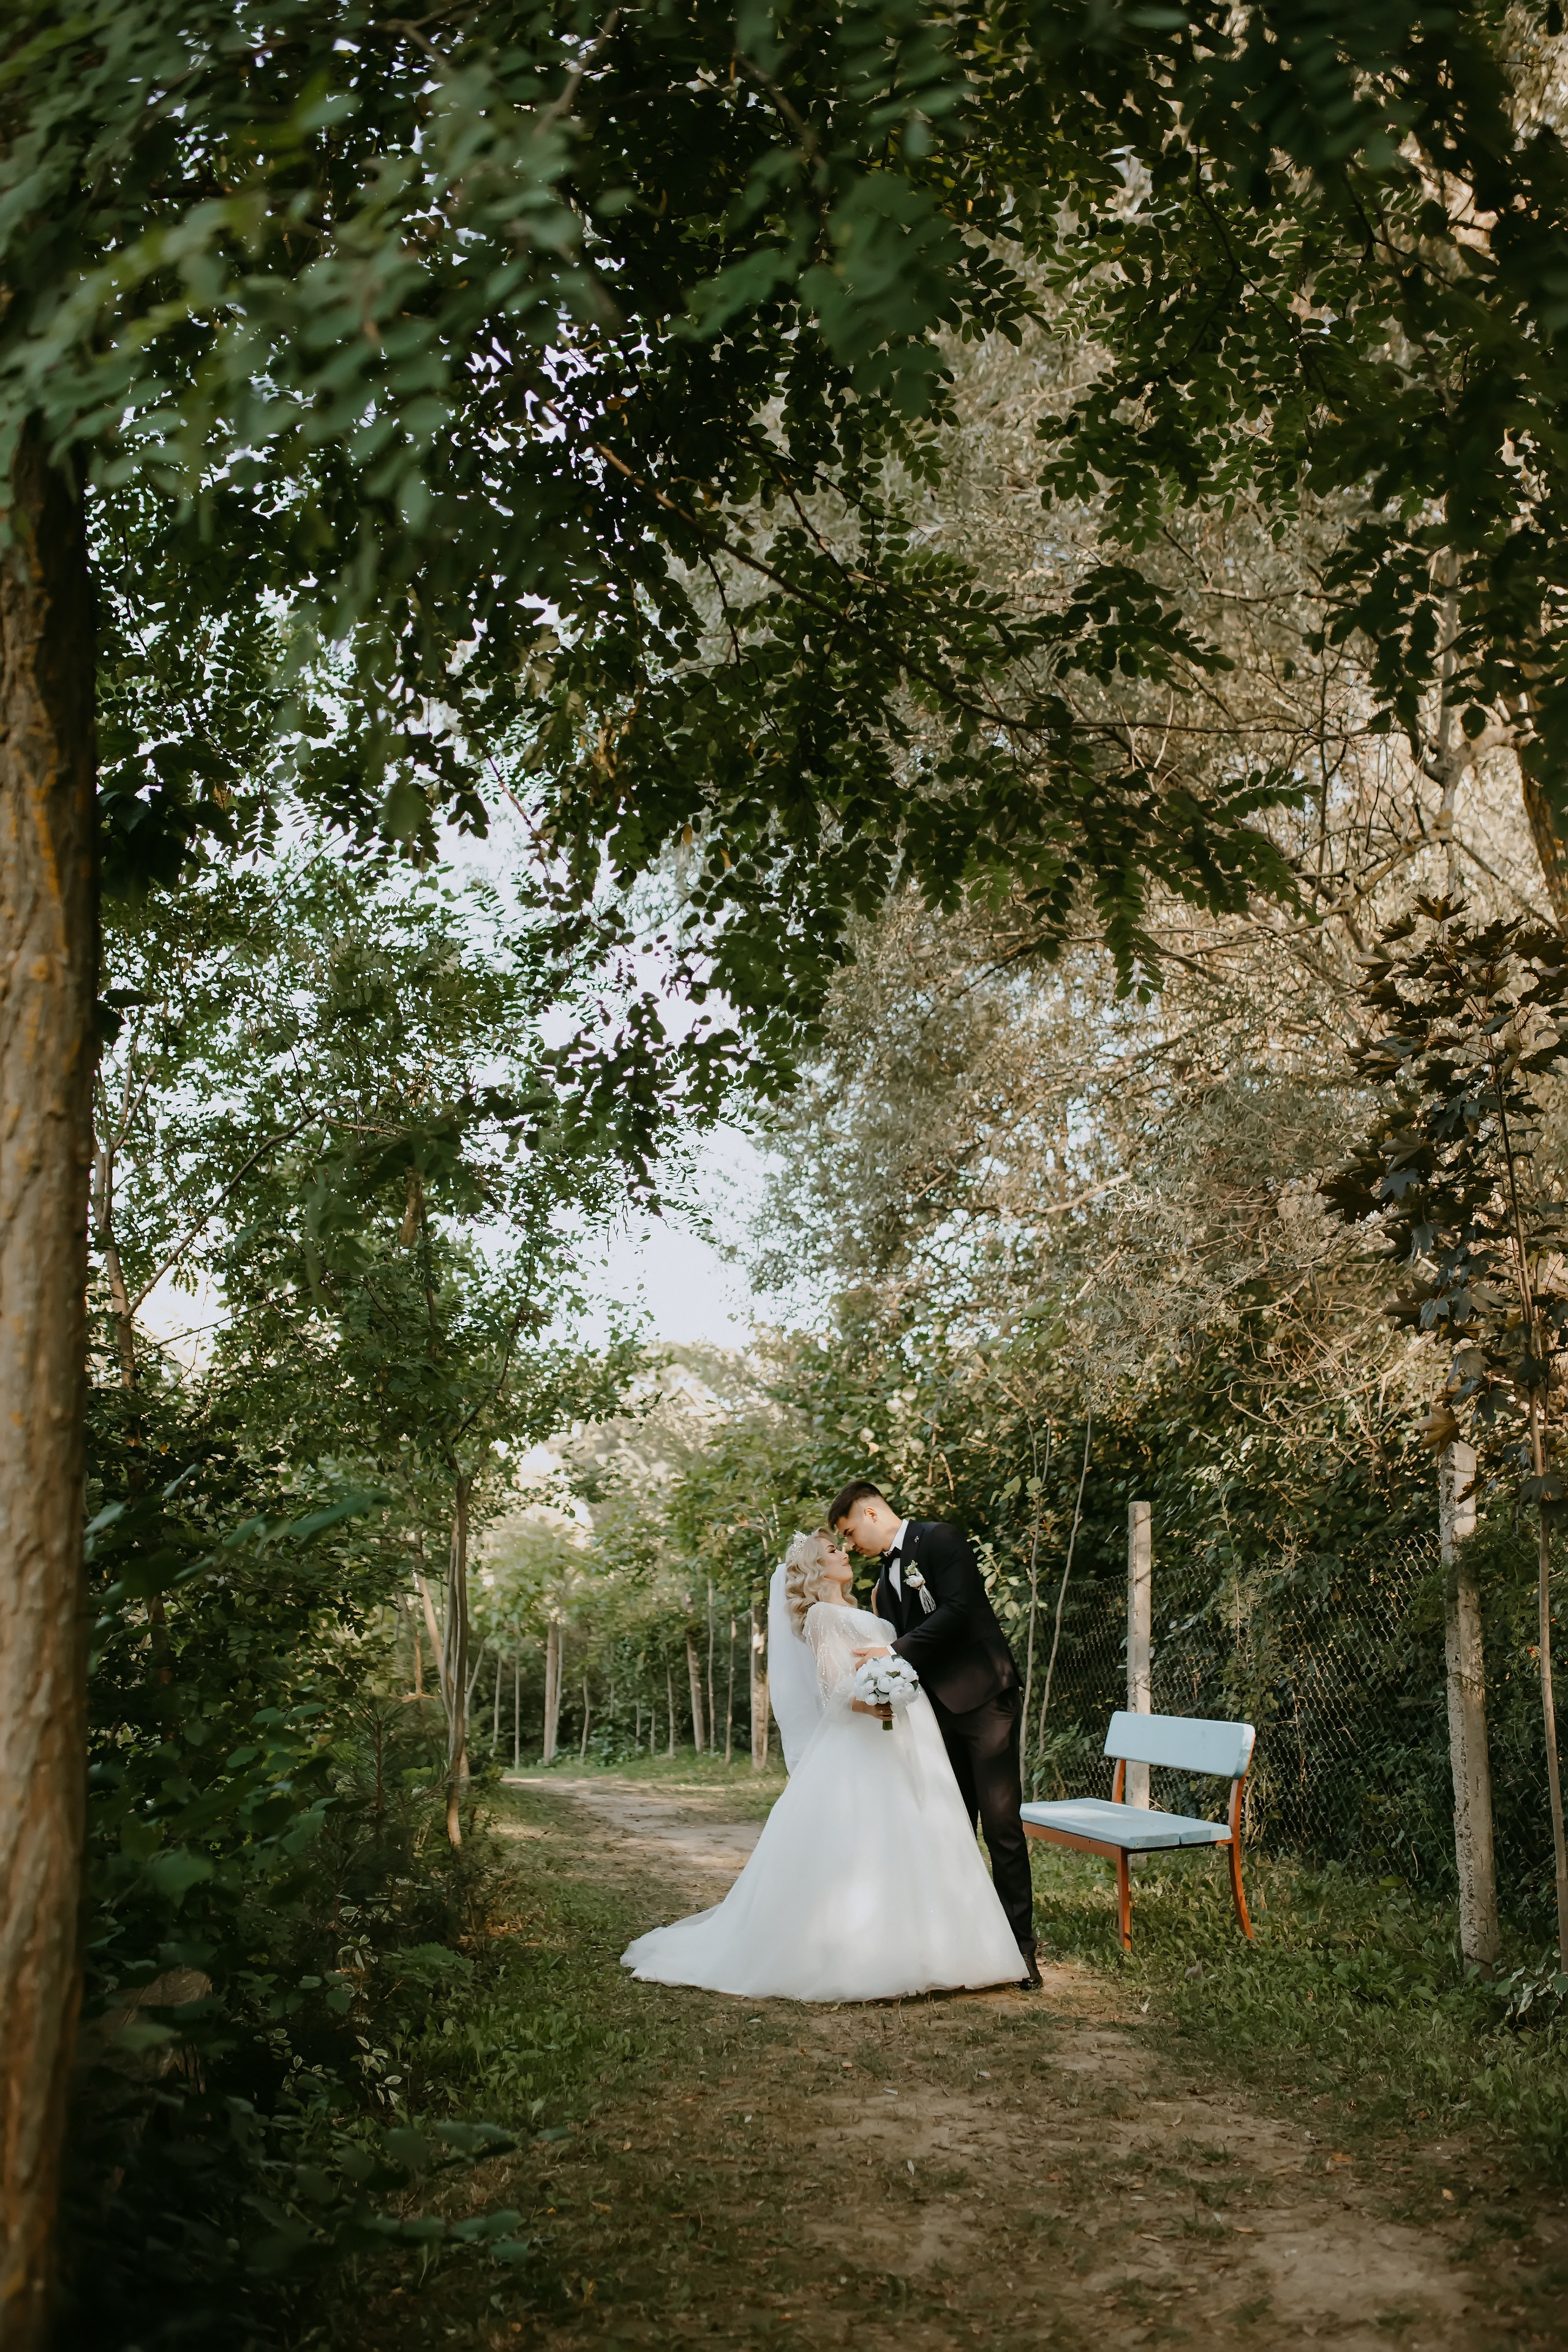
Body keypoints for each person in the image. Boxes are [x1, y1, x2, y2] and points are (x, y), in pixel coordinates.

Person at [620, 1529, 1024, 2002]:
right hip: (865, 1738)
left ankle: (938, 1948)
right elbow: (834, 1687)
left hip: (907, 1735)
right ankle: (870, 1953)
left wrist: (894, 1686)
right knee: (870, 1840)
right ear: (816, 1567)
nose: (844, 1553)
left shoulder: (864, 1606)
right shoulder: (821, 1616)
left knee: (915, 1830)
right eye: (833, 1550)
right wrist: (875, 1699)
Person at [829, 1480, 1041, 1989]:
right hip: (932, 1713)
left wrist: (892, 1653)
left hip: (984, 1700)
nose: (850, 1545)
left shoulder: (941, 1539)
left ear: (872, 1514)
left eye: (849, 1532)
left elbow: (959, 1610)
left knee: (1001, 1825)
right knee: (951, 1826)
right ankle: (965, 1948)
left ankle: (1021, 1950)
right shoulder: (884, 1581)